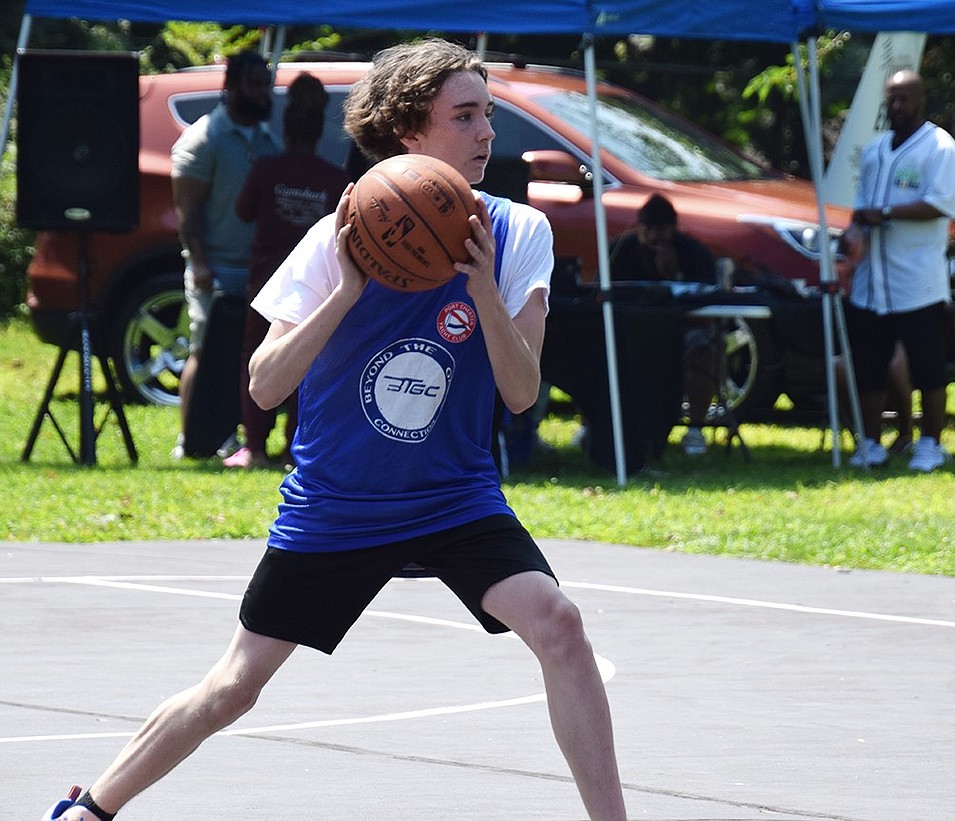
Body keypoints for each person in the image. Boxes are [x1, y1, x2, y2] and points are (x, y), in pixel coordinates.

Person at [42, 38, 627, 821]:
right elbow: (263, 381)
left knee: (559, 622)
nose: (489, 133)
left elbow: (520, 396)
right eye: (466, 115)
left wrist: (484, 288)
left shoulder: (516, 233)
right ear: (408, 130)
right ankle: (91, 807)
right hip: (339, 504)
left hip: (454, 497)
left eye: (488, 114)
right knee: (233, 687)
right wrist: (347, 291)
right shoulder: (339, 238)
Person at [223, 72, 349, 469]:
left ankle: (254, 448)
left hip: (265, 279)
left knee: (257, 358)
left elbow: (243, 212)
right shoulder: (335, 179)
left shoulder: (266, 169)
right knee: (308, 358)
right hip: (318, 284)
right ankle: (295, 448)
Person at [843, 69, 955, 473]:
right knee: (870, 365)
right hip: (871, 282)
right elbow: (861, 208)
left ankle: (930, 443)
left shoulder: (940, 148)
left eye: (903, 99)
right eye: (890, 98)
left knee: (928, 366)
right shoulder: (875, 151)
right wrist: (854, 232)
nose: (895, 106)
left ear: (921, 100)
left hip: (917, 280)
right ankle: (871, 443)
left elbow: (940, 204)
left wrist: (888, 213)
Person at [170, 49, 281, 459]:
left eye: (264, 83)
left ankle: (229, 435)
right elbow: (188, 209)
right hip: (214, 266)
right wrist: (199, 261)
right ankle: (191, 439)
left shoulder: (267, 141)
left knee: (243, 356)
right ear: (231, 86)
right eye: (253, 83)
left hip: (255, 271)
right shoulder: (205, 138)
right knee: (204, 351)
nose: (261, 91)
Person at [609, 193, 718, 456]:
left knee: (705, 350)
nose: (656, 238)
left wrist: (674, 273)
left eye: (662, 230)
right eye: (649, 230)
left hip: (682, 330)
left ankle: (695, 428)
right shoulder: (622, 249)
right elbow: (605, 293)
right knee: (598, 348)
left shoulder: (693, 252)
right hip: (632, 332)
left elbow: (708, 299)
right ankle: (597, 425)